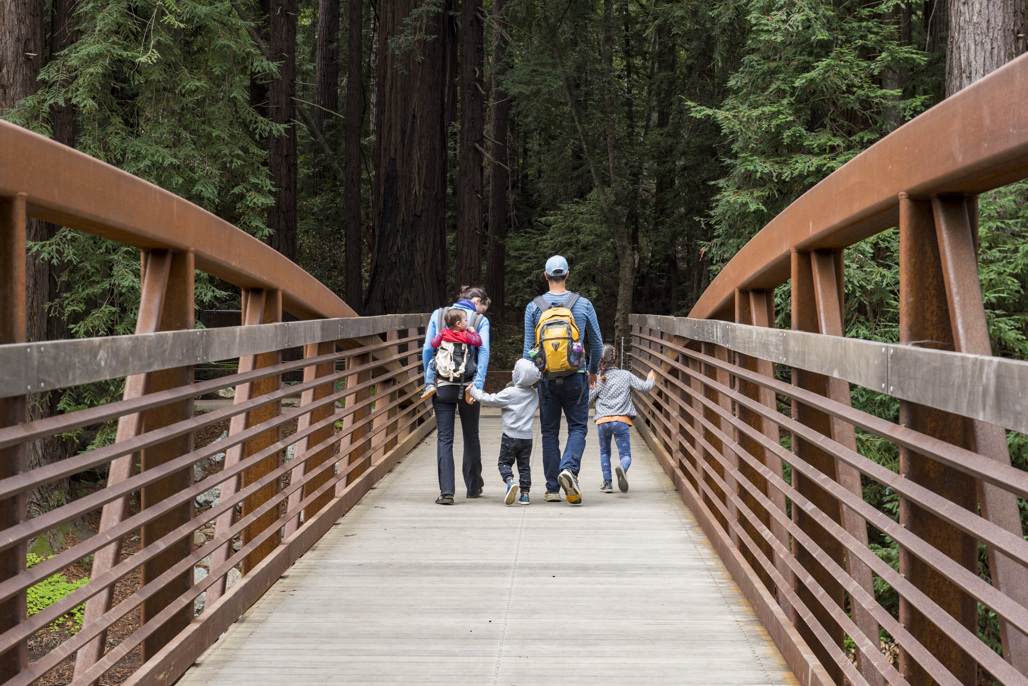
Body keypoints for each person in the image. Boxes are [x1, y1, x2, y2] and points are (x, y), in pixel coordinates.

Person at [522, 255, 602, 505]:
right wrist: (591, 371)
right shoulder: (583, 304)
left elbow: (528, 352)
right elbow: (597, 345)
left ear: (545, 276)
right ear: (567, 274)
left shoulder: (533, 307)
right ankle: (569, 469)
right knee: (578, 427)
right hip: (576, 376)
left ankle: (552, 488)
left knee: (549, 432)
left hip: (546, 378)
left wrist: (532, 380)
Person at [423, 286, 492, 505]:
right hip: (468, 385)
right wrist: (477, 386)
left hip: (442, 386)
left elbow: (427, 348)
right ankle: (473, 487)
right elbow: (484, 351)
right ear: (476, 301)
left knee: (444, 438)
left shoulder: (438, 315)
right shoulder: (479, 321)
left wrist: (429, 380)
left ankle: (446, 492)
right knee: (471, 436)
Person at [469, 358, 541, 506]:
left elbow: (489, 399)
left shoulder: (510, 393)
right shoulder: (534, 394)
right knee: (524, 466)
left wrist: (473, 391)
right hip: (527, 438)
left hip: (510, 436)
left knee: (504, 463)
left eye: (515, 370)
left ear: (520, 376)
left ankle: (510, 482)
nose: (513, 371)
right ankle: (525, 494)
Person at [589, 344, 656, 493]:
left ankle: (607, 483)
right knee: (625, 455)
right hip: (621, 422)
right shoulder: (626, 375)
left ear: (600, 361)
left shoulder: (600, 378)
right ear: (617, 359)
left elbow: (588, 400)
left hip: (603, 423)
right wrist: (651, 379)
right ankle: (622, 468)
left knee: (604, 452)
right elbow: (645, 387)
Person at [422, 308, 483, 400]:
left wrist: (436, 337)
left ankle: (429, 385)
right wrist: (473, 331)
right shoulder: (466, 335)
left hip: (445, 364)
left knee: (431, 364)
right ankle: (473, 389)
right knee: (475, 368)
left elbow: (433, 344)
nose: (467, 322)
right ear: (458, 323)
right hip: (463, 366)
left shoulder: (443, 332)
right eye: (466, 320)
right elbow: (478, 342)